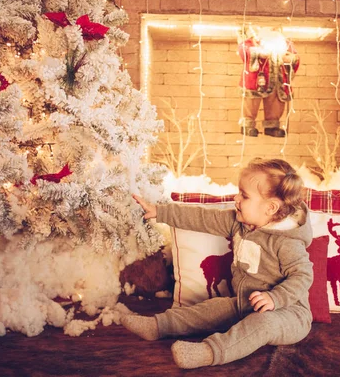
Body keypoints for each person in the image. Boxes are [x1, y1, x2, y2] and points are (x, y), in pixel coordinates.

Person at [122, 158, 313, 369]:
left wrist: (275, 298)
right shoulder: (239, 223)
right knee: (211, 309)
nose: (236, 198)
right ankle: (158, 326)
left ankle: (208, 352)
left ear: (270, 208)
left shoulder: (286, 241)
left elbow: (303, 275)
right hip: (245, 303)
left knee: (263, 324)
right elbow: (202, 218)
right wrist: (161, 212)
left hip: (288, 315)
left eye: (245, 196)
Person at [238, 28, 300, 138]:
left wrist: (291, 59)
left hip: (278, 79)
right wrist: (258, 53)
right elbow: (244, 51)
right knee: (251, 101)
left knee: (276, 101)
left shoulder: (285, 43)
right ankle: (247, 124)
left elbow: (294, 56)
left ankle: (272, 126)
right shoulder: (252, 41)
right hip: (257, 78)